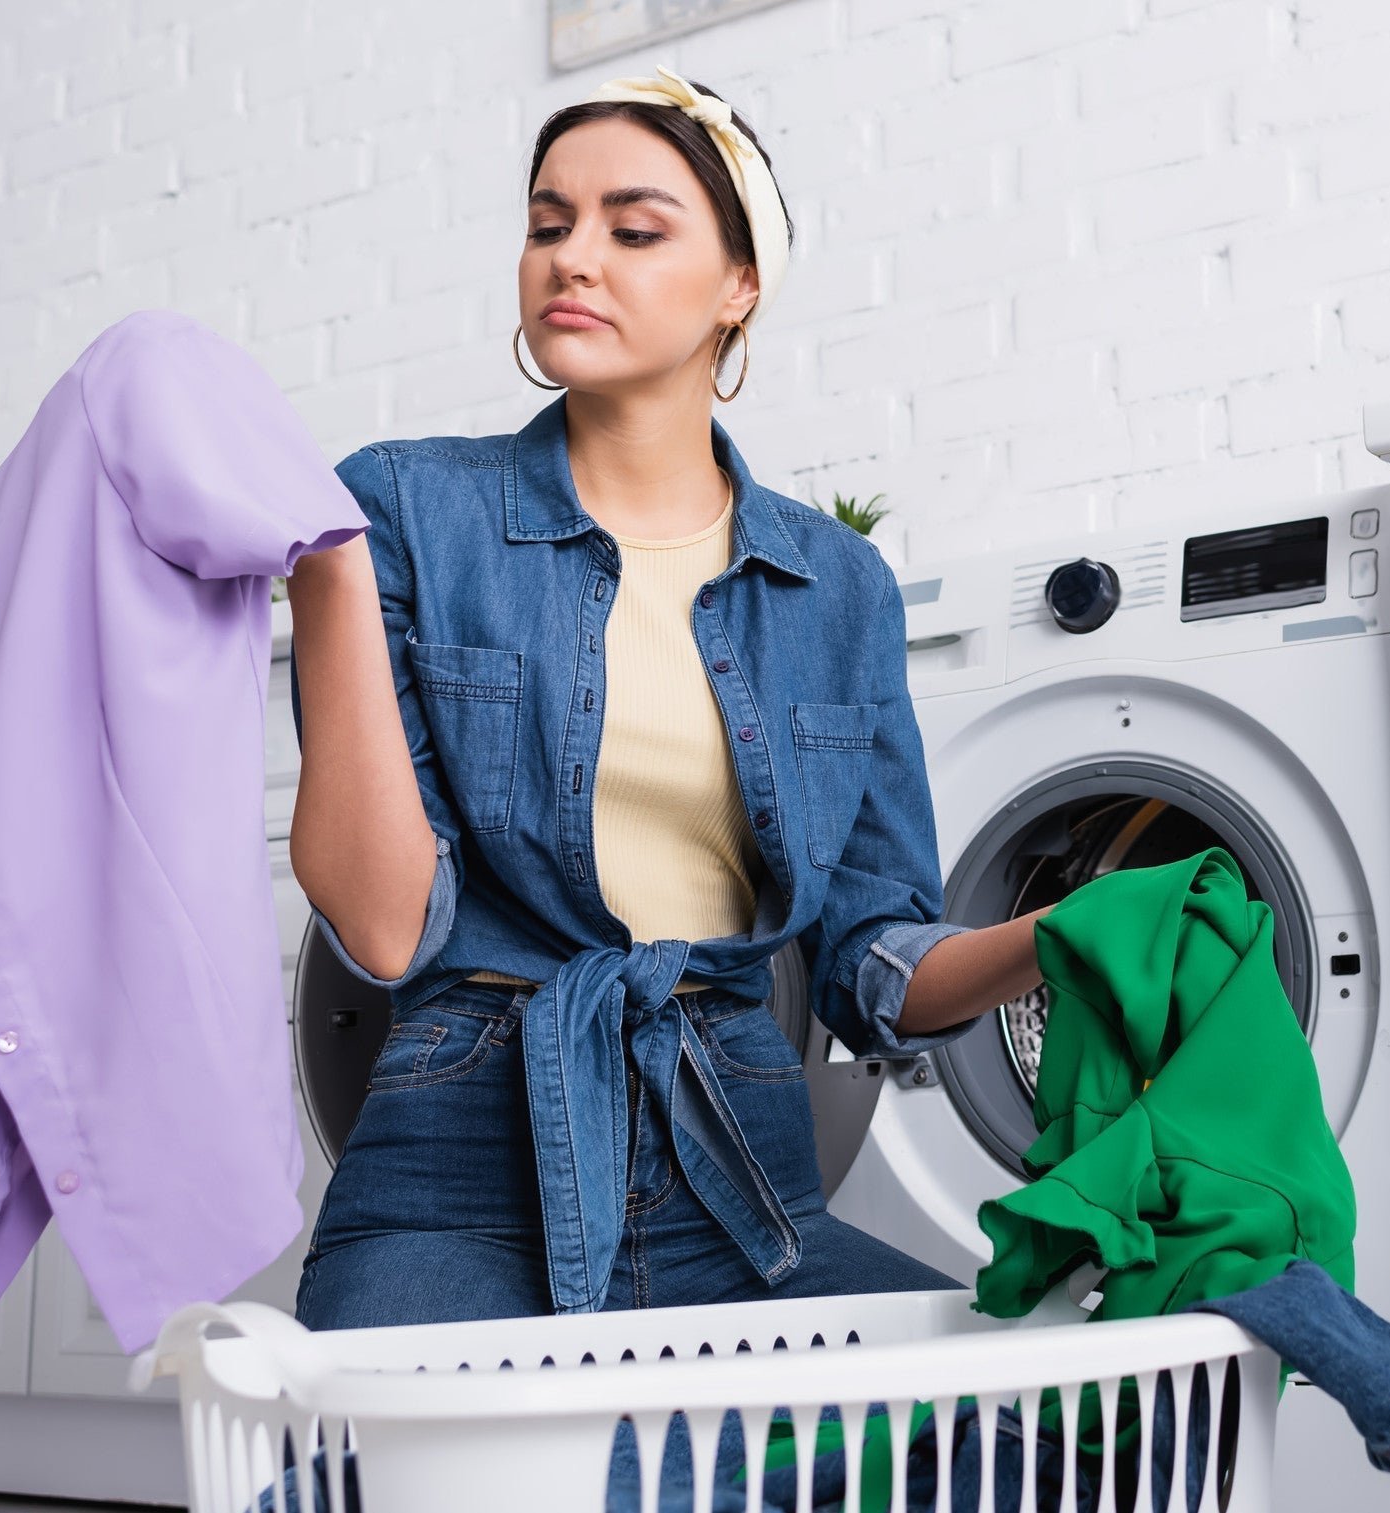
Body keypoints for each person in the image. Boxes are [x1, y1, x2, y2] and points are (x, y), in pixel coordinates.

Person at [282, 68, 1046, 1330]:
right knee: (391, 1439)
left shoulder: (836, 585)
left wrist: (1057, 934)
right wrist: (324, 570)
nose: (572, 258)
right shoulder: (403, 509)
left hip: (740, 1169)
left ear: (739, 284)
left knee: (1052, 1420)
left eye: (632, 230)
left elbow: (872, 961)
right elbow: (383, 924)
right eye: (548, 223)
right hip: (457, 1171)